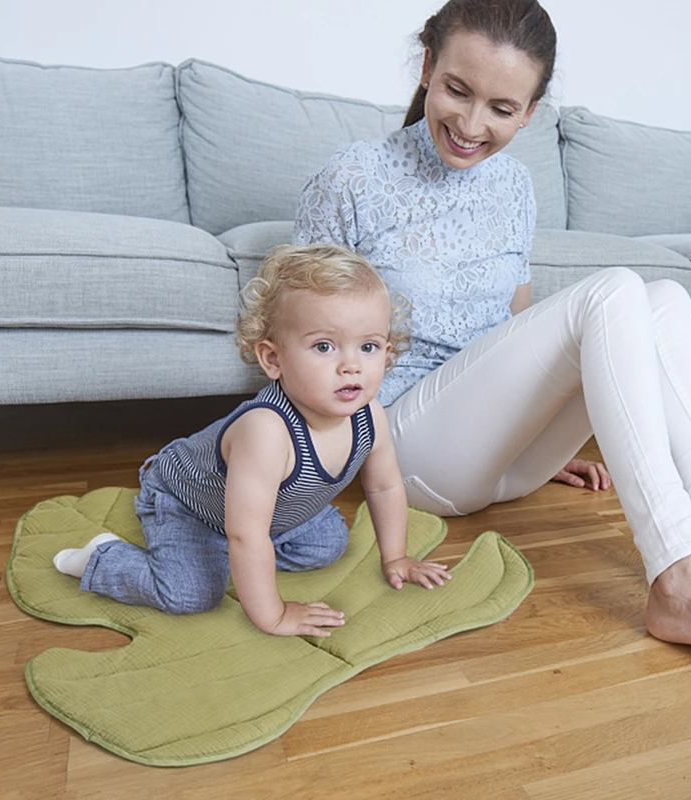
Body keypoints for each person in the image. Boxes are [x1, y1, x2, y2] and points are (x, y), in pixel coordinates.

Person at [294, 0, 691, 662]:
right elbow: (303, 336)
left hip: (501, 460)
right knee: (614, 289)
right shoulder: (354, 175)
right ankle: (680, 574)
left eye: (502, 109)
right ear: (427, 68)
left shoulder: (515, 187)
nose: (472, 124)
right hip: (407, 449)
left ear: (530, 111)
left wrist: (542, 427)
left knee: (666, 298)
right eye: (457, 90)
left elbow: (512, 330)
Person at [53, 244, 450, 637]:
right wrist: (273, 614)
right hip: (189, 505)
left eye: (368, 346)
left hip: (267, 514)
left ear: (388, 350)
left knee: (329, 543)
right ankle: (103, 558)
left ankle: (231, 559)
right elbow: (246, 532)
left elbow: (383, 486)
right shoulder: (267, 431)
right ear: (273, 360)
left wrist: (396, 556)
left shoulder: (370, 416)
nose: (351, 365)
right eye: (324, 346)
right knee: (190, 593)